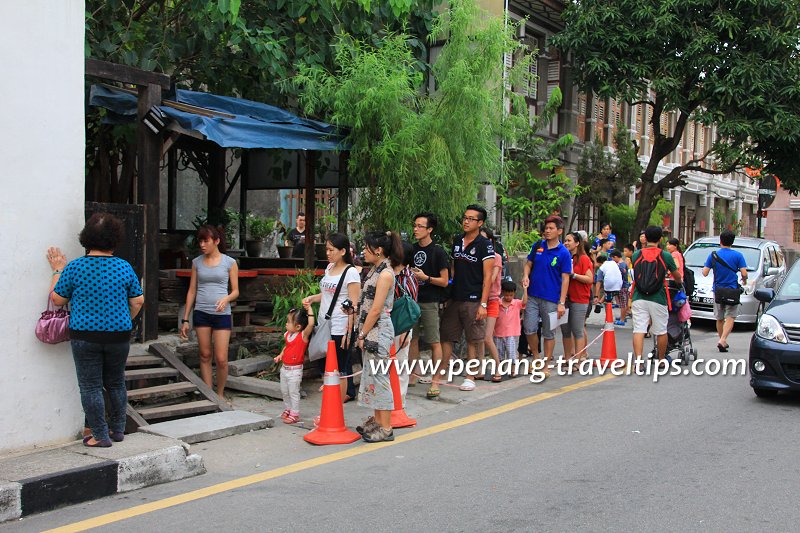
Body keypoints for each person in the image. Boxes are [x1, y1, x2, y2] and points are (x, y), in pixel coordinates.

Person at [48, 213, 144, 447]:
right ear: (115, 240)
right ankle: (118, 430)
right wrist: (124, 321)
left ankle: (99, 435)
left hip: (85, 337)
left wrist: (57, 271)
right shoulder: (124, 267)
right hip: (119, 336)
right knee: (116, 383)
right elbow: (138, 301)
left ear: (86, 237)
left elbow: (57, 300)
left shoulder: (75, 268)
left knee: (90, 386)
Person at [440, 205, 495, 392]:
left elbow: (488, 277)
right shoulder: (457, 240)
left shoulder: (485, 245)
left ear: (480, 223)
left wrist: (483, 304)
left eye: (471, 219)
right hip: (455, 297)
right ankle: (440, 372)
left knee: (473, 339)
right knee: (447, 335)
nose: (466, 221)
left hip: (474, 299)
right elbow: (454, 267)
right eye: (465, 217)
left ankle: (470, 376)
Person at [180, 225, 239, 399]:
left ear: (216, 241)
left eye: (206, 241)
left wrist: (226, 299)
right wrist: (185, 319)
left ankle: (220, 394)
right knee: (205, 354)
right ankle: (208, 394)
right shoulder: (196, 262)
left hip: (222, 314)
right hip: (201, 312)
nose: (202, 245)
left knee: (221, 358)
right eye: (200, 241)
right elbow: (192, 290)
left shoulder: (229, 262)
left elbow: (236, 291)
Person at [355, 231, 402, 443]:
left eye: (366, 248)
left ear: (378, 250)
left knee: (380, 378)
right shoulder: (375, 269)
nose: (363, 252)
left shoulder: (385, 274)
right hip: (371, 327)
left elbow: (376, 309)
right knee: (372, 377)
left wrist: (362, 333)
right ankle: (376, 421)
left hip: (378, 329)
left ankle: (386, 427)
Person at [302, 233, 361, 402]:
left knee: (340, 369)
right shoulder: (329, 268)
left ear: (343, 251)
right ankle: (333, 400)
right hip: (324, 323)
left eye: (331, 249)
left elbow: (353, 305)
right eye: (326, 249)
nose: (327, 253)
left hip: (340, 326)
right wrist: (313, 298)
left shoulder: (351, 273)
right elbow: (328, 294)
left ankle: (338, 404)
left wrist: (349, 333)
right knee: (325, 365)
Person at [522, 215, 572, 377]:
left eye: (551, 228)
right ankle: (536, 357)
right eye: (546, 228)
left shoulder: (564, 253)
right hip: (533, 296)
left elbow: (565, 279)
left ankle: (546, 363)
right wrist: (525, 276)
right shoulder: (538, 246)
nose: (547, 231)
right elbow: (528, 264)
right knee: (529, 329)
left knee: (549, 333)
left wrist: (562, 302)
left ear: (559, 231)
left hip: (552, 299)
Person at [409, 212, 450, 400]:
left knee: (434, 341)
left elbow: (444, 281)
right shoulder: (411, 250)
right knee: (412, 339)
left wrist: (426, 278)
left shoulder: (438, 251)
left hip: (430, 301)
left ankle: (436, 380)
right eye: (415, 225)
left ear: (430, 229)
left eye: (420, 226)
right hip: (412, 300)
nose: (416, 229)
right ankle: (412, 375)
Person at [631, 225, 682, 362]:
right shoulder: (665, 256)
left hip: (638, 296)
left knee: (639, 329)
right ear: (661, 239)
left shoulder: (636, 255)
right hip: (658, 298)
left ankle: (639, 361)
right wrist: (679, 282)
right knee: (661, 330)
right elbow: (677, 276)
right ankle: (660, 360)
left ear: (645, 238)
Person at [702, 230, 747, 352]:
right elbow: (744, 273)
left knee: (720, 318)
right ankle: (722, 340)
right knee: (731, 316)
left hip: (718, 290)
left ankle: (722, 339)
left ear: (720, 241)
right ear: (732, 242)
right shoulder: (738, 255)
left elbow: (705, 273)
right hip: (732, 290)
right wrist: (745, 280)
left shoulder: (713, 255)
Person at [274, 302, 314, 424]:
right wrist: (281, 355)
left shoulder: (302, 336)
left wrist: (309, 309)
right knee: (284, 391)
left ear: (298, 326)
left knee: (293, 392)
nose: (286, 324)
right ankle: (288, 409)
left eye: (289, 322)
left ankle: (295, 413)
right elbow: (287, 347)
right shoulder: (288, 334)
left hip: (295, 370)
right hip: (284, 368)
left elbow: (311, 323)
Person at [561, 232, 594, 364]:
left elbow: (589, 279)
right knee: (565, 330)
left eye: (569, 240)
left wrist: (574, 275)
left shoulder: (584, 259)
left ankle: (578, 359)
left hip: (580, 299)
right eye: (565, 241)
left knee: (577, 330)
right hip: (565, 299)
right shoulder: (563, 257)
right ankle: (567, 358)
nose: (566, 243)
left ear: (577, 243)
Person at [393, 241, 419, 397]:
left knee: (400, 364)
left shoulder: (408, 277)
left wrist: (405, 331)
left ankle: (399, 403)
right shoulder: (388, 272)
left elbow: (411, 307)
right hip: (388, 325)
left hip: (401, 326)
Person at [478, 228, 503, 382]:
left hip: (492, 299)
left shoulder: (496, 257)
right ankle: (480, 369)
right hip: (479, 298)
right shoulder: (476, 256)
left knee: (487, 337)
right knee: (478, 337)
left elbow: (492, 279)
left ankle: (498, 368)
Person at [495, 281, 526, 365]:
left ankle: (512, 370)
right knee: (499, 354)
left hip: (511, 334)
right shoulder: (498, 302)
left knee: (511, 354)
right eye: (506, 295)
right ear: (502, 292)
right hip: (498, 333)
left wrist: (525, 289)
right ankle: (500, 369)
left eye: (511, 295)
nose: (508, 297)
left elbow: (524, 302)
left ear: (514, 293)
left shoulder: (516, 303)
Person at [610, 250, 629, 325]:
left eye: (613, 258)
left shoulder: (621, 265)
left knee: (623, 304)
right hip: (623, 286)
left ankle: (622, 320)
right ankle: (622, 317)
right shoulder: (622, 264)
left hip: (622, 286)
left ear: (615, 257)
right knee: (623, 303)